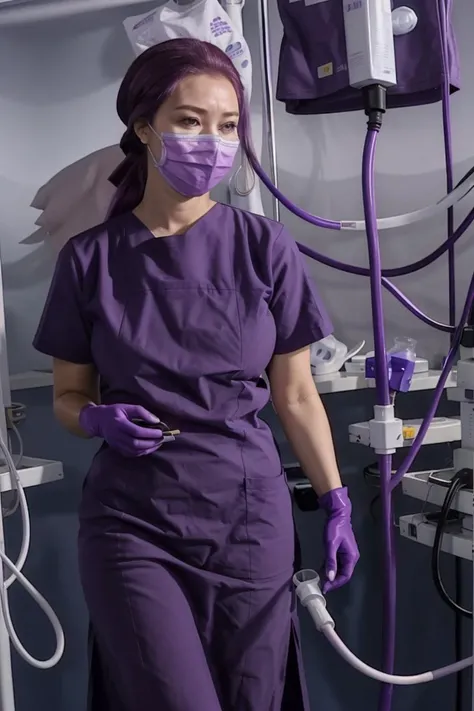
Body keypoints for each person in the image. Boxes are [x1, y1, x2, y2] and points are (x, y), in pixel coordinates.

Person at [33, 38, 359, 711]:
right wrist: (92, 417)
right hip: (133, 522)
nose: (212, 141)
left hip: (246, 515)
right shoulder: (89, 261)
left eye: (228, 125)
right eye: (190, 120)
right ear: (144, 125)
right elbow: (68, 395)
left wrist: (336, 501)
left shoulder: (263, 247)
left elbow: (295, 394)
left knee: (255, 697)